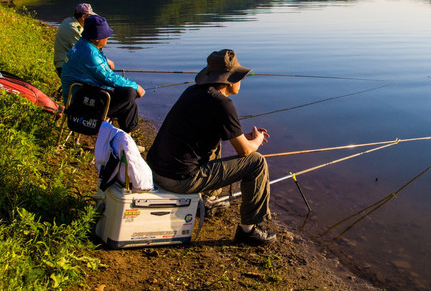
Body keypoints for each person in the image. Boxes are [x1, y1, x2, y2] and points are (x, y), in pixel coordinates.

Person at [147, 49, 276, 245]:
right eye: (239, 77)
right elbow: (245, 151)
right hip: (179, 181)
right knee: (256, 163)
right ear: (230, 80)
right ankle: (249, 230)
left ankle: (207, 199)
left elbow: (207, 130)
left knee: (214, 140)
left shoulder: (192, 92)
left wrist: (243, 136)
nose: (241, 82)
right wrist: (256, 140)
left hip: (156, 172)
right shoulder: (223, 104)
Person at [61, 15, 145, 133]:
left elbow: (99, 69)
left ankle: (127, 140)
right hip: (80, 102)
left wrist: (105, 61)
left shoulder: (84, 44)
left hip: (83, 93)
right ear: (97, 38)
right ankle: (125, 139)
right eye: (106, 36)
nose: (107, 38)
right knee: (129, 93)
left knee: (129, 101)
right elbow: (109, 78)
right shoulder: (90, 54)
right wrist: (136, 86)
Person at [53, 3, 114, 77]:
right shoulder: (74, 29)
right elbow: (87, 50)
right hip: (65, 67)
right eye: (90, 17)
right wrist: (106, 61)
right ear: (83, 17)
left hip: (69, 63)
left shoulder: (69, 21)